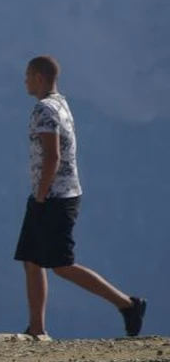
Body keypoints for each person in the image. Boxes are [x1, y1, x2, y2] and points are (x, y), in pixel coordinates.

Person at [15, 55, 146, 339]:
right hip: (58, 193)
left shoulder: (44, 110)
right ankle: (36, 329)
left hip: (52, 197)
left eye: (28, 75)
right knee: (31, 259)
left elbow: (52, 155)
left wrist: (40, 194)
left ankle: (127, 305)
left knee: (61, 265)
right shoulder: (61, 103)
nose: (24, 80)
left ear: (39, 76)